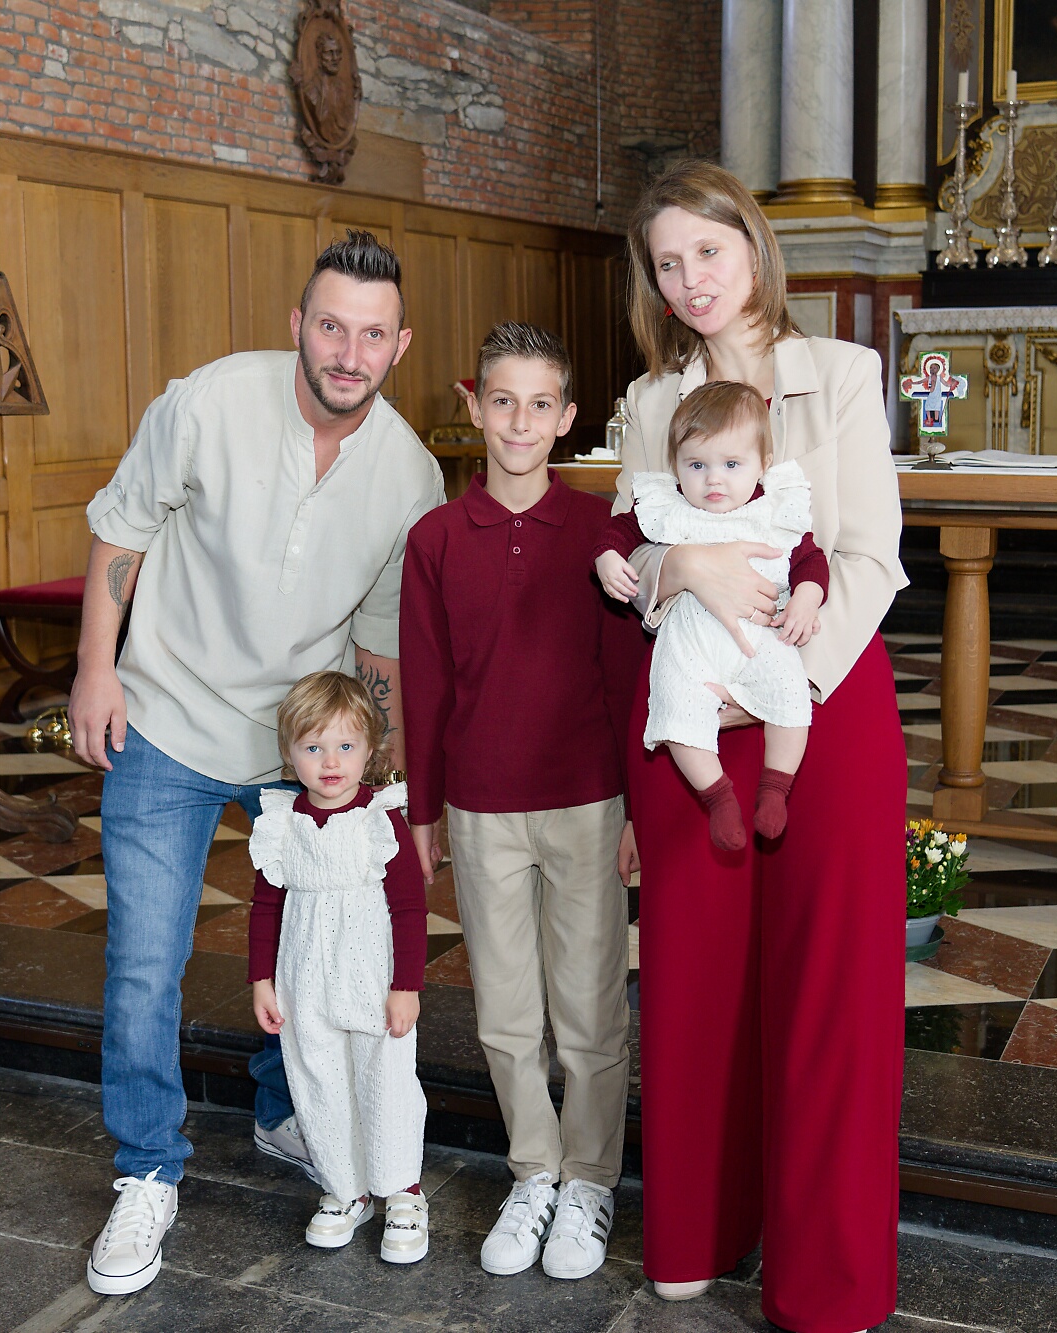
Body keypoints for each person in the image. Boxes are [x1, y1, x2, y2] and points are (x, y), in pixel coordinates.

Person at [72, 231, 443, 1297]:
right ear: (297, 325)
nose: (348, 352)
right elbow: (121, 534)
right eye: (331, 326)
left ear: (399, 345)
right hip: (166, 718)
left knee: (324, 948)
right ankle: (147, 1169)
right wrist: (94, 672)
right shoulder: (209, 402)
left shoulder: (410, 474)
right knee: (145, 963)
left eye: (371, 335)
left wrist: (383, 788)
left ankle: (287, 1113)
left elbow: (379, 646)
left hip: (305, 746)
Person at [614, 160, 909, 1333]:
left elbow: (869, 554)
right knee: (693, 987)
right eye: (666, 262)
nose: (689, 279)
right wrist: (675, 566)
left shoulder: (838, 375)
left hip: (817, 709)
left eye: (707, 250)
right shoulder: (650, 400)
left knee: (830, 994)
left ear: (752, 245)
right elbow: (631, 561)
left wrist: (780, 684)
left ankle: (824, 1278)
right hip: (691, 720)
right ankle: (697, 1229)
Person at [399, 322, 645, 1280]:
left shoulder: (600, 532)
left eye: (541, 404)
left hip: (587, 800)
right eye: (502, 401)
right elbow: (425, 684)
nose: (520, 422)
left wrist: (638, 809)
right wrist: (425, 810)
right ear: (474, 405)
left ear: (569, 417)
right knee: (504, 1010)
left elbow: (627, 678)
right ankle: (534, 1170)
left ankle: (589, 1179)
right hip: (480, 806)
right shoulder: (434, 539)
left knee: (588, 1005)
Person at [594, 380, 828, 850]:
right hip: (690, 646)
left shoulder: (774, 511)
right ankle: (718, 797)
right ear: (677, 465)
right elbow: (619, 530)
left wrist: (806, 596)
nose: (713, 480)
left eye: (731, 465)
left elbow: (810, 559)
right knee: (676, 713)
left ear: (763, 463)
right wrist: (606, 556)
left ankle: (775, 789)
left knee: (791, 699)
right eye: (697, 465)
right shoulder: (670, 508)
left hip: (761, 639)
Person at [248, 672, 431, 1263]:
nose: (331, 762)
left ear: (369, 748)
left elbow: (409, 909)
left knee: (386, 1082)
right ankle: (344, 1188)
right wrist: (262, 981)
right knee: (318, 1081)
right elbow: (265, 907)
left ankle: (402, 1190)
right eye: (313, 747)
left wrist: (406, 986)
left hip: (373, 980)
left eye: (346, 746)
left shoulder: (380, 820)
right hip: (303, 982)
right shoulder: (282, 822)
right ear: (289, 751)